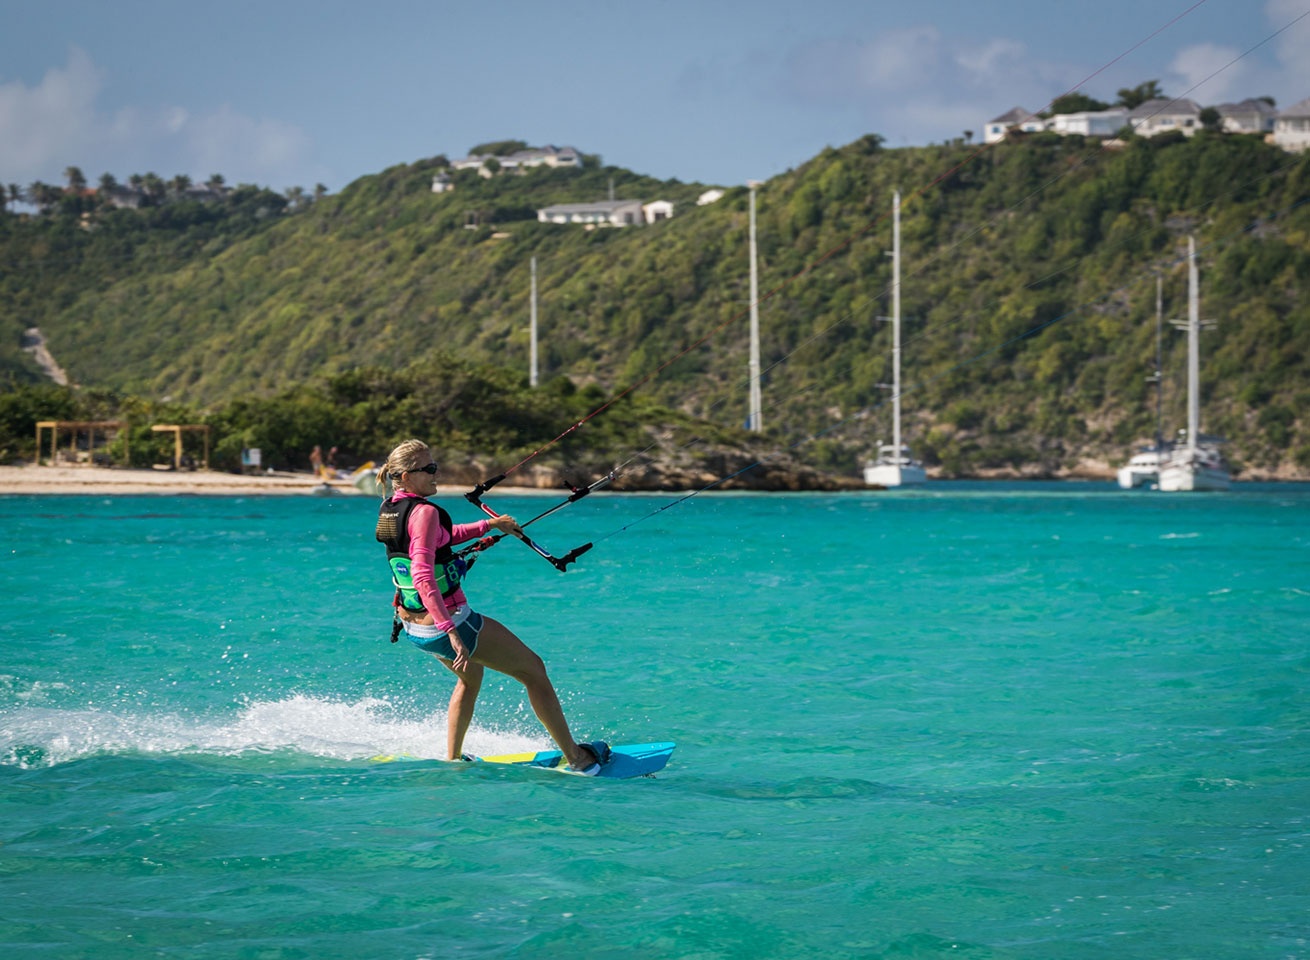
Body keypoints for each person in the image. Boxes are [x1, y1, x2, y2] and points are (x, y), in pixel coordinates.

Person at [374, 439, 609, 773]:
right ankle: (578, 758)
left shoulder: (391, 508)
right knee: (535, 671)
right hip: (447, 623)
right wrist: (451, 631)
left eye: (434, 466)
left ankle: (453, 758)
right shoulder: (424, 512)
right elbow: (424, 576)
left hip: (411, 625)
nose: (435, 473)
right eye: (428, 469)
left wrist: (490, 525)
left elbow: (441, 538)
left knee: (470, 677)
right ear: (404, 476)